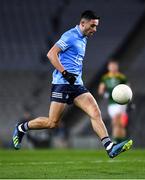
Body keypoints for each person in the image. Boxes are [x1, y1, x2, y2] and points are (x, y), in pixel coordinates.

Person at [12, 10, 132, 158]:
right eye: (93, 26)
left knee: (95, 112)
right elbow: (51, 54)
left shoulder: (84, 38)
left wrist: (72, 77)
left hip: (76, 85)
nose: (95, 29)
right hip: (62, 83)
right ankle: (21, 128)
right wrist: (64, 73)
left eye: (96, 26)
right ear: (83, 23)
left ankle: (110, 147)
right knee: (52, 123)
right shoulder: (70, 36)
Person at [98, 60, 129, 143]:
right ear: (108, 67)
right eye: (111, 66)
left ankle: (115, 140)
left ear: (117, 67)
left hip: (120, 102)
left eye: (114, 66)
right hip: (111, 103)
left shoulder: (121, 77)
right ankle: (122, 140)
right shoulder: (105, 77)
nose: (113, 67)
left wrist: (127, 99)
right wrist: (105, 93)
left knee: (116, 120)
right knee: (118, 124)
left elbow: (127, 88)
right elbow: (101, 90)